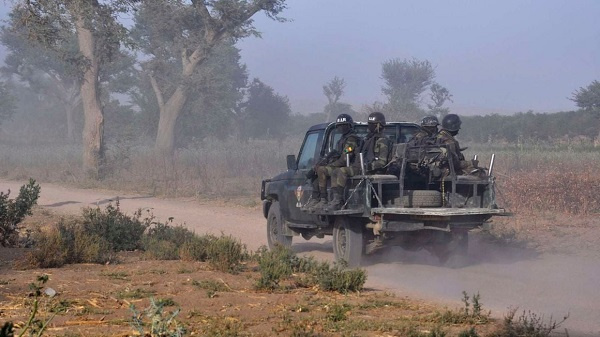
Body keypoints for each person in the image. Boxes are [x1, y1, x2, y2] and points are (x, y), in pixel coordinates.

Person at [325, 111, 390, 211]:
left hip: (369, 169)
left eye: (373, 125)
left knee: (342, 171)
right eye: (369, 124)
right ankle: (336, 199)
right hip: (360, 166)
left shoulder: (383, 140)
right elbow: (352, 151)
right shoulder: (367, 139)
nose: (370, 127)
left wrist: (367, 166)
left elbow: (382, 162)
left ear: (379, 125)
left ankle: (338, 201)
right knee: (335, 171)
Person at [304, 113, 359, 211]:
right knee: (318, 171)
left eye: (344, 125)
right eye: (340, 126)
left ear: (350, 126)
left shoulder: (351, 139)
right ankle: (319, 198)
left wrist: (330, 165)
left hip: (348, 166)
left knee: (323, 170)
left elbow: (345, 158)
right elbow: (338, 155)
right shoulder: (342, 140)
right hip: (340, 165)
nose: (342, 128)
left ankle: (327, 199)